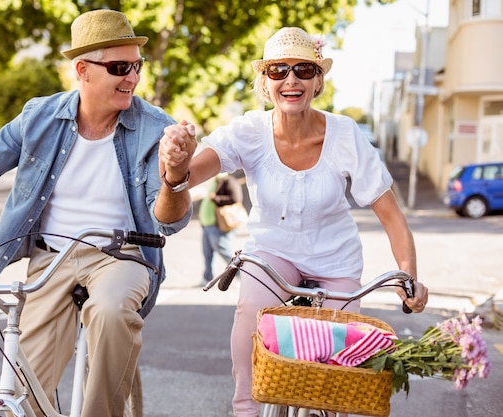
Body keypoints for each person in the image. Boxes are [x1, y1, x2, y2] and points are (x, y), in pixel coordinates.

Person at [0, 9, 193, 417]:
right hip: (50, 259)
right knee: (24, 395)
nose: (132, 77)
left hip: (122, 256)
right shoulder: (39, 117)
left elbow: (168, 220)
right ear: (83, 70)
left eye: (136, 65)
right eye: (120, 66)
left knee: (112, 312)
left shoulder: (156, 128)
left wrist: (175, 174)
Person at [154, 27, 430, 417]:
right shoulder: (248, 131)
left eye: (302, 70)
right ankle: (246, 408)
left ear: (318, 80)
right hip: (273, 255)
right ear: (265, 82)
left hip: (335, 261)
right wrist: (178, 161)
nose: (291, 80)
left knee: (338, 364)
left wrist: (409, 276)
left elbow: (392, 217)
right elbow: (189, 175)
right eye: (278, 70)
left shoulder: (345, 135)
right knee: (250, 311)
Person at [199, 173, 244, 284]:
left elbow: (236, 198)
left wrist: (216, 198)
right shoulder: (216, 180)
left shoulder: (228, 180)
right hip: (207, 224)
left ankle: (241, 276)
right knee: (207, 254)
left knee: (225, 253)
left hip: (218, 225)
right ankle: (207, 278)